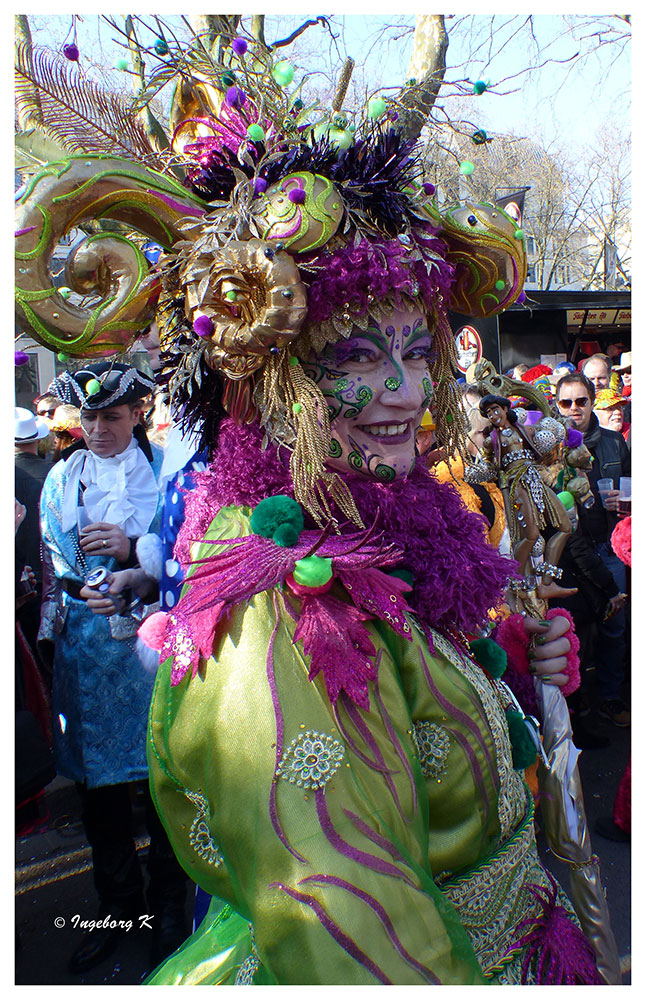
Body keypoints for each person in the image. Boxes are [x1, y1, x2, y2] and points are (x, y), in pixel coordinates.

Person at [16, 51, 617, 985]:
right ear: (271, 369)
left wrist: (501, 668)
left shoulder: (388, 524)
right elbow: (350, 928)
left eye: (418, 353)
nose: (403, 391)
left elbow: (426, 724)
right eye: (357, 355)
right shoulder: (286, 599)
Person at [37, 362, 188, 973]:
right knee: (101, 800)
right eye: (91, 417)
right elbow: (53, 554)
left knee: (162, 788)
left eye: (113, 416)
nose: (99, 428)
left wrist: (133, 554)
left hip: (152, 646)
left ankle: (170, 915)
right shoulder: (60, 477)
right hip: (89, 654)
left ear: (136, 415)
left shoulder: (166, 472)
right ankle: (117, 913)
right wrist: (78, 590)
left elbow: (184, 549)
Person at [555, 373, 630, 727]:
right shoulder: (549, 450)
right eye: (565, 402)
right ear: (556, 406)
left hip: (610, 546)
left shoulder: (615, 444)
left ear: (591, 401)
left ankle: (612, 698)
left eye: (580, 401)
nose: (573, 409)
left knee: (615, 628)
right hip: (572, 555)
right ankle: (581, 701)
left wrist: (626, 501)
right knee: (578, 631)